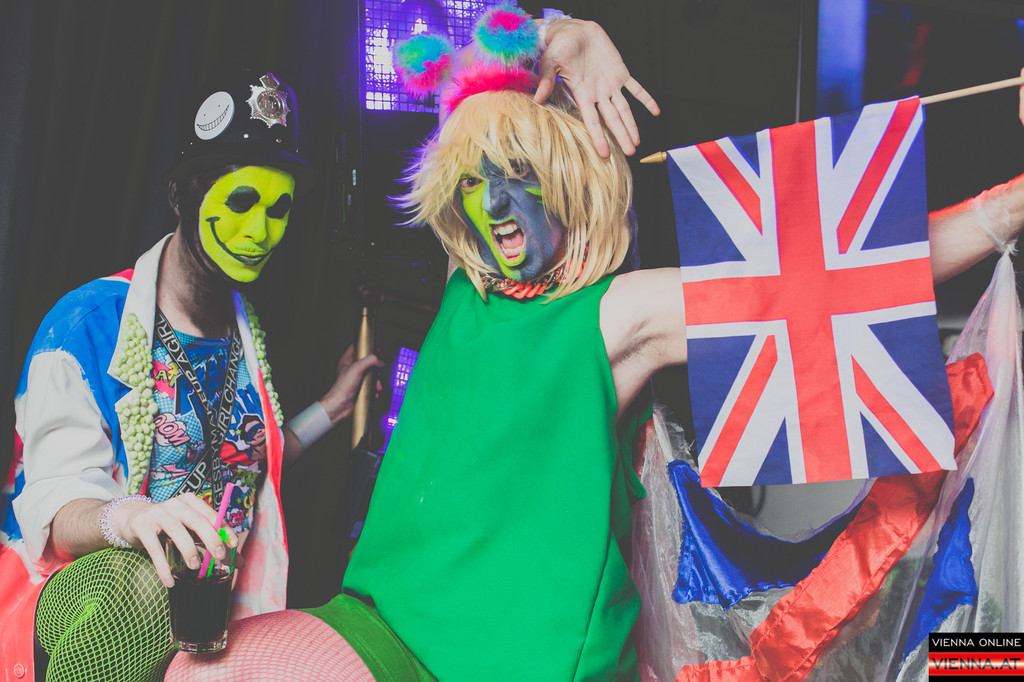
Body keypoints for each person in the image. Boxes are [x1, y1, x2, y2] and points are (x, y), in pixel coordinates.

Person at [169, 10, 1024, 682]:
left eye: (518, 175)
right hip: (380, 622)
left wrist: (1003, 210)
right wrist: (565, 33)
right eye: (473, 182)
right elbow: (474, 63)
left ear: (566, 182)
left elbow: (834, 280)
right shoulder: (468, 286)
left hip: (513, 662)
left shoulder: (614, 317)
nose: (493, 204)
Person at [0, 69, 383, 682]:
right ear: (182, 196)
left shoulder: (243, 329)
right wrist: (129, 518)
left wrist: (333, 408)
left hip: (203, 630)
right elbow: (53, 508)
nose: (259, 232)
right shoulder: (86, 325)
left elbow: (250, 464)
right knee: (131, 589)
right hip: (86, 625)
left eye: (278, 209)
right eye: (241, 202)